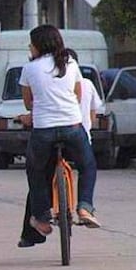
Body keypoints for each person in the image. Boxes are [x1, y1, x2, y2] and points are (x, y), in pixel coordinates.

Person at [16, 25, 99, 246]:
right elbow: (78, 94)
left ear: (38, 45)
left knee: (35, 170)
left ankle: (42, 218)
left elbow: (28, 102)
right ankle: (84, 206)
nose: (29, 47)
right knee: (88, 164)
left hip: (43, 130)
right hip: (72, 127)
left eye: (31, 43)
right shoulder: (70, 64)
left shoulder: (29, 68)